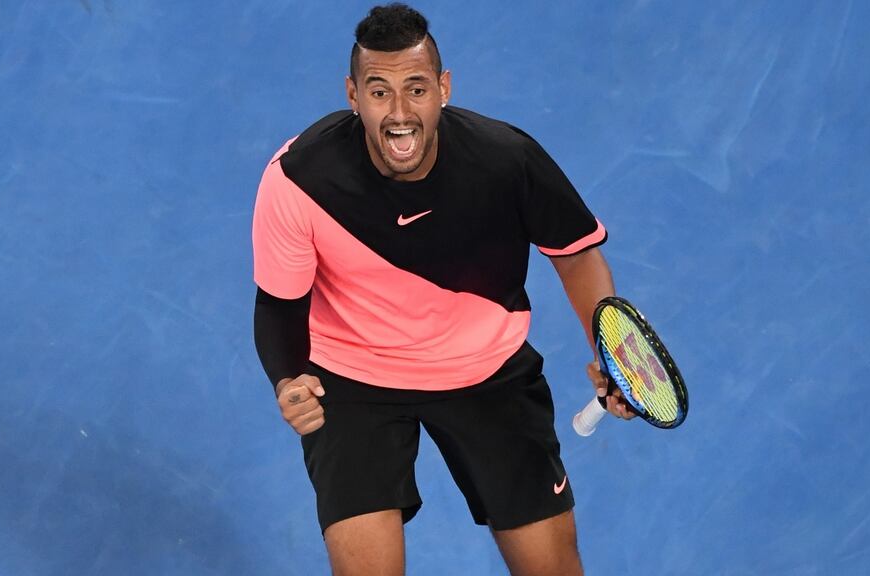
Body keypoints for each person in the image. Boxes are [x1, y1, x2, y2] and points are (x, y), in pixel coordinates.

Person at [252, 4, 634, 574]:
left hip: (487, 372)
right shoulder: (298, 178)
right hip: (353, 381)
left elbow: (576, 256)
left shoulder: (506, 161)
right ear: (353, 95)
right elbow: (278, 305)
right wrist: (288, 378)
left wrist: (614, 351)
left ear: (444, 89)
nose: (400, 113)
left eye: (417, 89)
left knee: (553, 565)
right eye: (379, 92)